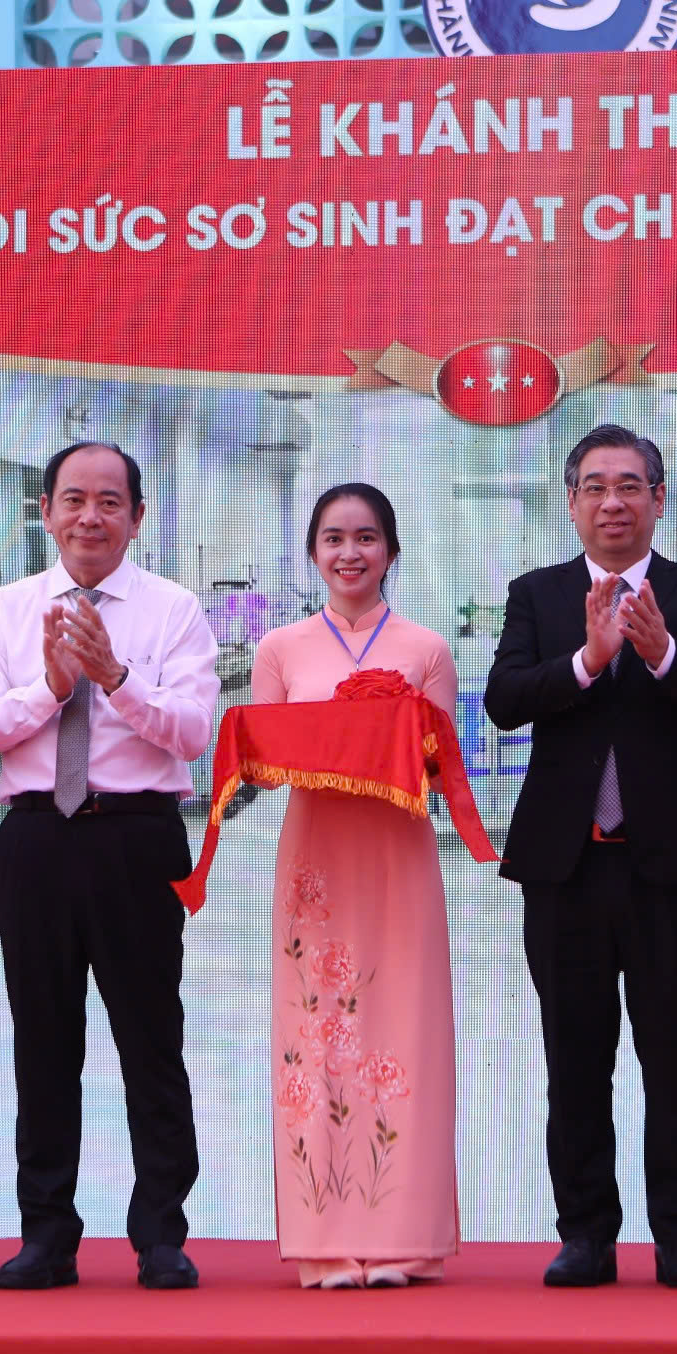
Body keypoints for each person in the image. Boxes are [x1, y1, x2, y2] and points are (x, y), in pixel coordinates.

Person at [485, 422, 677, 1291]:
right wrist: (588, 659)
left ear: (658, 498)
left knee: (675, 1054)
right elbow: (503, 702)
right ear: (571, 502)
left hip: (670, 866)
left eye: (630, 484)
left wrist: (660, 652)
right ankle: (586, 1234)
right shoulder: (537, 594)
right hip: (565, 865)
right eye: (594, 485)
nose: (613, 501)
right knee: (576, 1055)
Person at [0, 441, 216, 1292]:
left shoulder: (173, 611)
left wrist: (114, 676)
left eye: (110, 501)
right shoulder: (3, 609)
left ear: (137, 516)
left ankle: (161, 1233)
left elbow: (191, 732)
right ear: (46, 511)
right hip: (36, 838)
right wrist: (52, 686)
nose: (90, 516)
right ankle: (46, 1233)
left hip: (137, 839)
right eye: (73, 499)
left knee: (151, 1036)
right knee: (44, 1040)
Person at [250, 484, 461, 1289]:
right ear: (313, 553)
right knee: (319, 1031)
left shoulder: (425, 648)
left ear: (392, 551)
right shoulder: (280, 650)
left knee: (402, 1029)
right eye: (334, 538)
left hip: (397, 852)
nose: (350, 553)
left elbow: (441, 771)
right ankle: (325, 1237)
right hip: (317, 859)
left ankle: (405, 1236)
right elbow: (265, 769)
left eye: (367, 537)